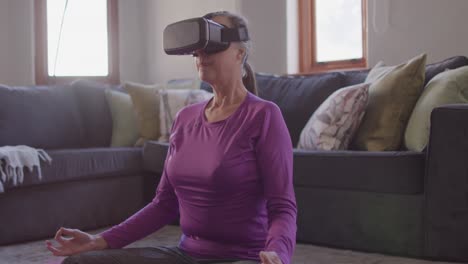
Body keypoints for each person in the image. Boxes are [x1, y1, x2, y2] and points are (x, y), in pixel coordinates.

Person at [45, 11, 297, 264]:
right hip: (184, 255)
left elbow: (282, 207)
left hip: (241, 258)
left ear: (239, 53)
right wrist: (98, 241)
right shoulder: (185, 118)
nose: (201, 55)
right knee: (80, 263)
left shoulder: (263, 116)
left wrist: (278, 253)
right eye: (198, 50)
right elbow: (163, 204)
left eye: (211, 46)